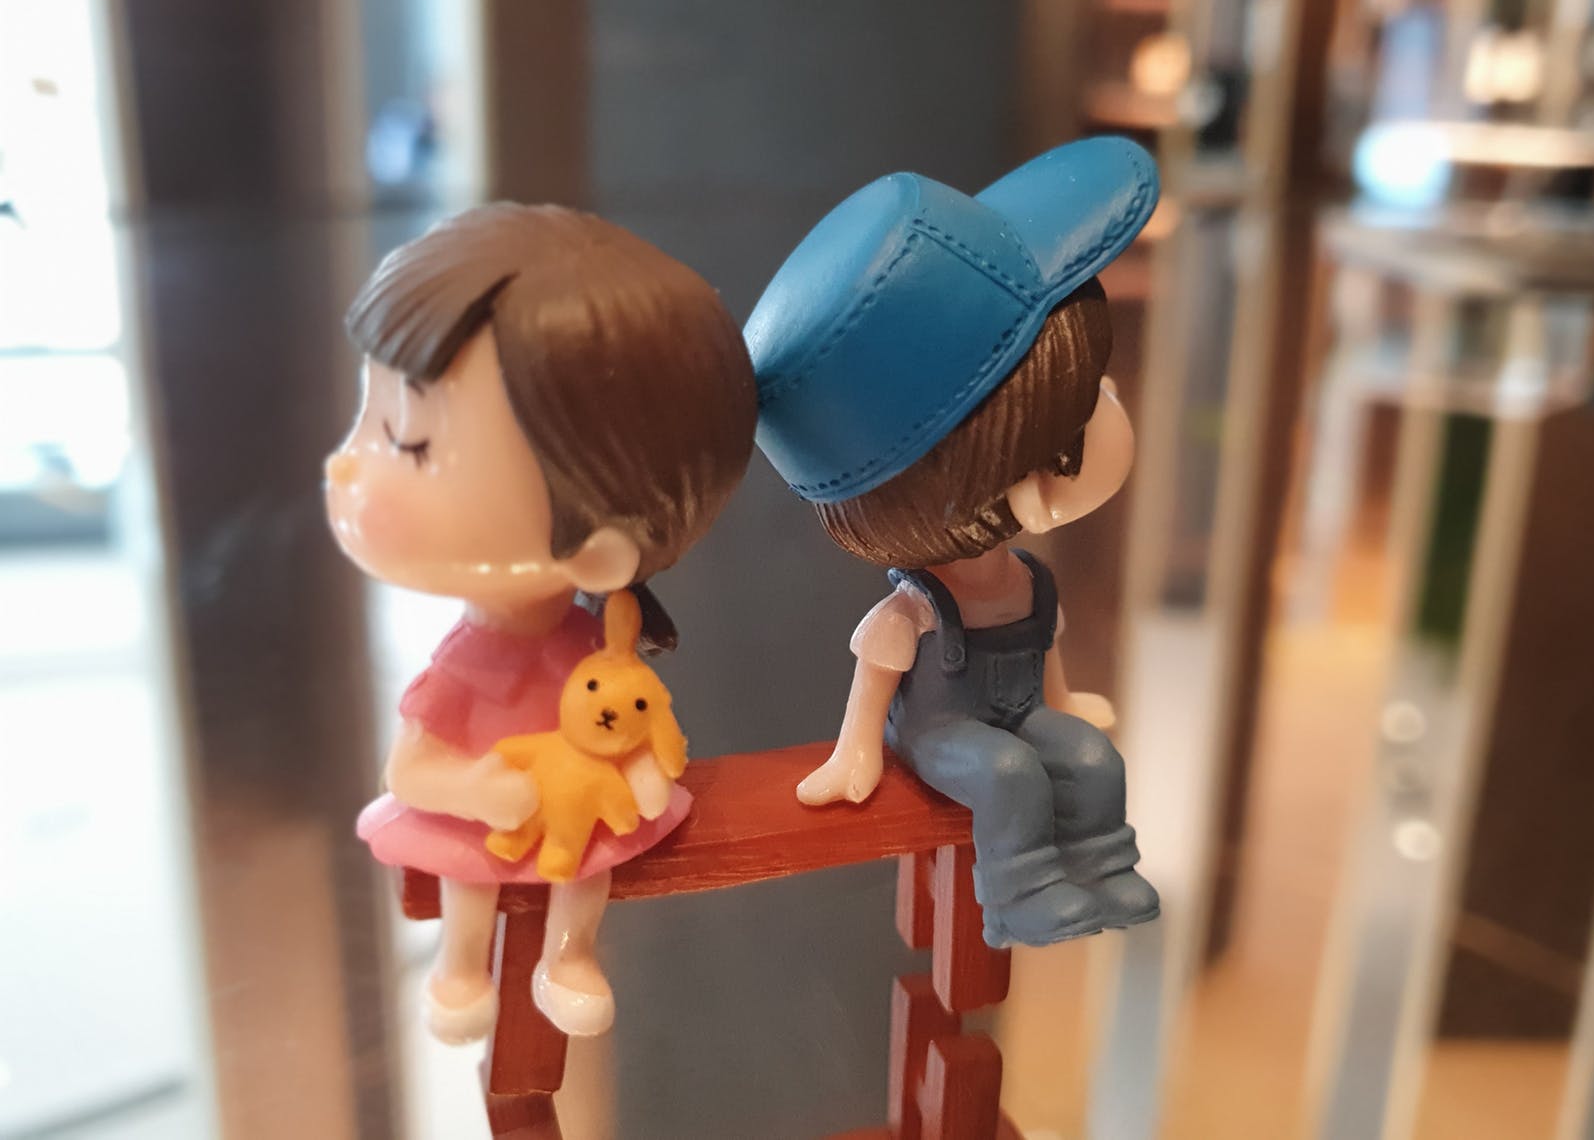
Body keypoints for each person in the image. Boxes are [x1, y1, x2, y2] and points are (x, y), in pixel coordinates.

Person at [324, 203, 755, 1040]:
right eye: (370, 420)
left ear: (594, 557)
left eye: (407, 442)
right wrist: (470, 789)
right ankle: (459, 967)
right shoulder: (464, 663)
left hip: (572, 810)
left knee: (588, 866)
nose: (344, 465)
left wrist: (643, 774)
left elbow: (632, 727)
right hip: (489, 814)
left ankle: (571, 955)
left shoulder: (598, 652)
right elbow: (408, 770)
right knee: (468, 875)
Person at [746, 137, 1163, 947]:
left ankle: (1105, 868)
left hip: (1021, 712)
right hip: (939, 733)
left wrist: (1065, 705)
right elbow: (874, 685)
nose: (1110, 399)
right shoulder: (913, 610)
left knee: (1088, 757)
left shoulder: (1030, 582)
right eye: (1083, 407)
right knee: (1007, 777)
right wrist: (856, 754)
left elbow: (1045, 660)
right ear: (1028, 481)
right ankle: (1021, 894)